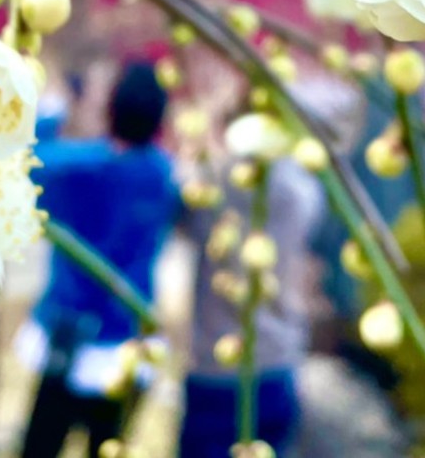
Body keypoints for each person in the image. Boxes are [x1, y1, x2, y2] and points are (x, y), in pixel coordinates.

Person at [18, 61, 179, 458]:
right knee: (107, 447)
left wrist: (57, 111)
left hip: (66, 337)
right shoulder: (162, 175)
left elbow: (24, 159)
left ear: (110, 109)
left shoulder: (80, 167)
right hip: (127, 337)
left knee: (40, 445)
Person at [180, 152, 325, 458]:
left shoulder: (215, 182)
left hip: (214, 364)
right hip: (277, 355)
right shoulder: (302, 187)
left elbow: (184, 217)